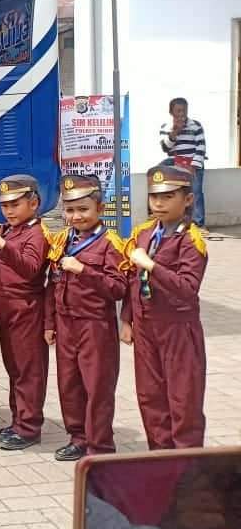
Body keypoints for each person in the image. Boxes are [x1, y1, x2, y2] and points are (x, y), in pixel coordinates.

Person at [122, 164, 208, 450]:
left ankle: (187, 464)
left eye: (168, 196)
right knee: (150, 396)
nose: (158, 203)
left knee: (184, 399)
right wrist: (127, 319)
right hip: (146, 325)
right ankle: (159, 458)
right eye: (154, 196)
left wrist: (152, 266)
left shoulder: (191, 239)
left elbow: (188, 288)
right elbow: (132, 278)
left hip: (177, 327)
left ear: (188, 199)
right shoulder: (144, 233)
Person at [44, 174, 129, 461]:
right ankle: (78, 438)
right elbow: (53, 284)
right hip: (66, 323)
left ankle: (100, 446)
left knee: (97, 386)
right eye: (70, 210)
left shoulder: (110, 243)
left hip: (95, 325)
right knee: (69, 384)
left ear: (100, 209)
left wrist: (84, 271)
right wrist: (50, 323)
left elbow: (118, 288)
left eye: (83, 209)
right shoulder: (62, 240)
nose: (76, 216)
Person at [0, 175, 51, 451]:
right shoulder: (10, 230)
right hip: (6, 309)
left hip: (25, 309)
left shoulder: (36, 233)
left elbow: (31, 268)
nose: (9, 211)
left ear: (33, 203)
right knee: (14, 368)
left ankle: (29, 427)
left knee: (28, 370)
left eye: (15, 204)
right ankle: (18, 420)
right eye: (5, 206)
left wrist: (4, 246)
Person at [160, 97, 207, 226]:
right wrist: (175, 132)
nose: (182, 114)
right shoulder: (165, 127)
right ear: (171, 112)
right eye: (178, 111)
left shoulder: (195, 125)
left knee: (195, 191)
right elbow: (165, 148)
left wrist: (193, 166)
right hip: (175, 162)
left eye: (184, 111)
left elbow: (201, 147)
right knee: (169, 187)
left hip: (192, 162)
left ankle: (198, 223)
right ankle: (172, 219)